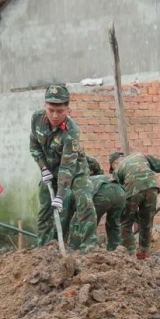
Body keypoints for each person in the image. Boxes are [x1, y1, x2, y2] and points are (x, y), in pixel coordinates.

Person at [29, 85, 98, 252]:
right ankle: (43, 250)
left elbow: (67, 167)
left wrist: (60, 195)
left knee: (85, 203)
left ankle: (89, 249)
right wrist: (43, 168)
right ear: (45, 106)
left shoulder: (71, 131)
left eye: (60, 111)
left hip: (75, 170)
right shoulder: (37, 118)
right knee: (45, 208)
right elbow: (34, 146)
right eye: (50, 109)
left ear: (67, 108)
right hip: (50, 170)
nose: (54, 115)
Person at [111, 152, 160, 259]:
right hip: (152, 187)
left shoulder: (117, 170)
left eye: (112, 167)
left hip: (133, 189)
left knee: (126, 223)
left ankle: (130, 255)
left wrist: (128, 215)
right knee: (146, 222)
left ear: (115, 163)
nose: (113, 169)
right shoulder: (141, 156)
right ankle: (144, 252)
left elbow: (121, 195)